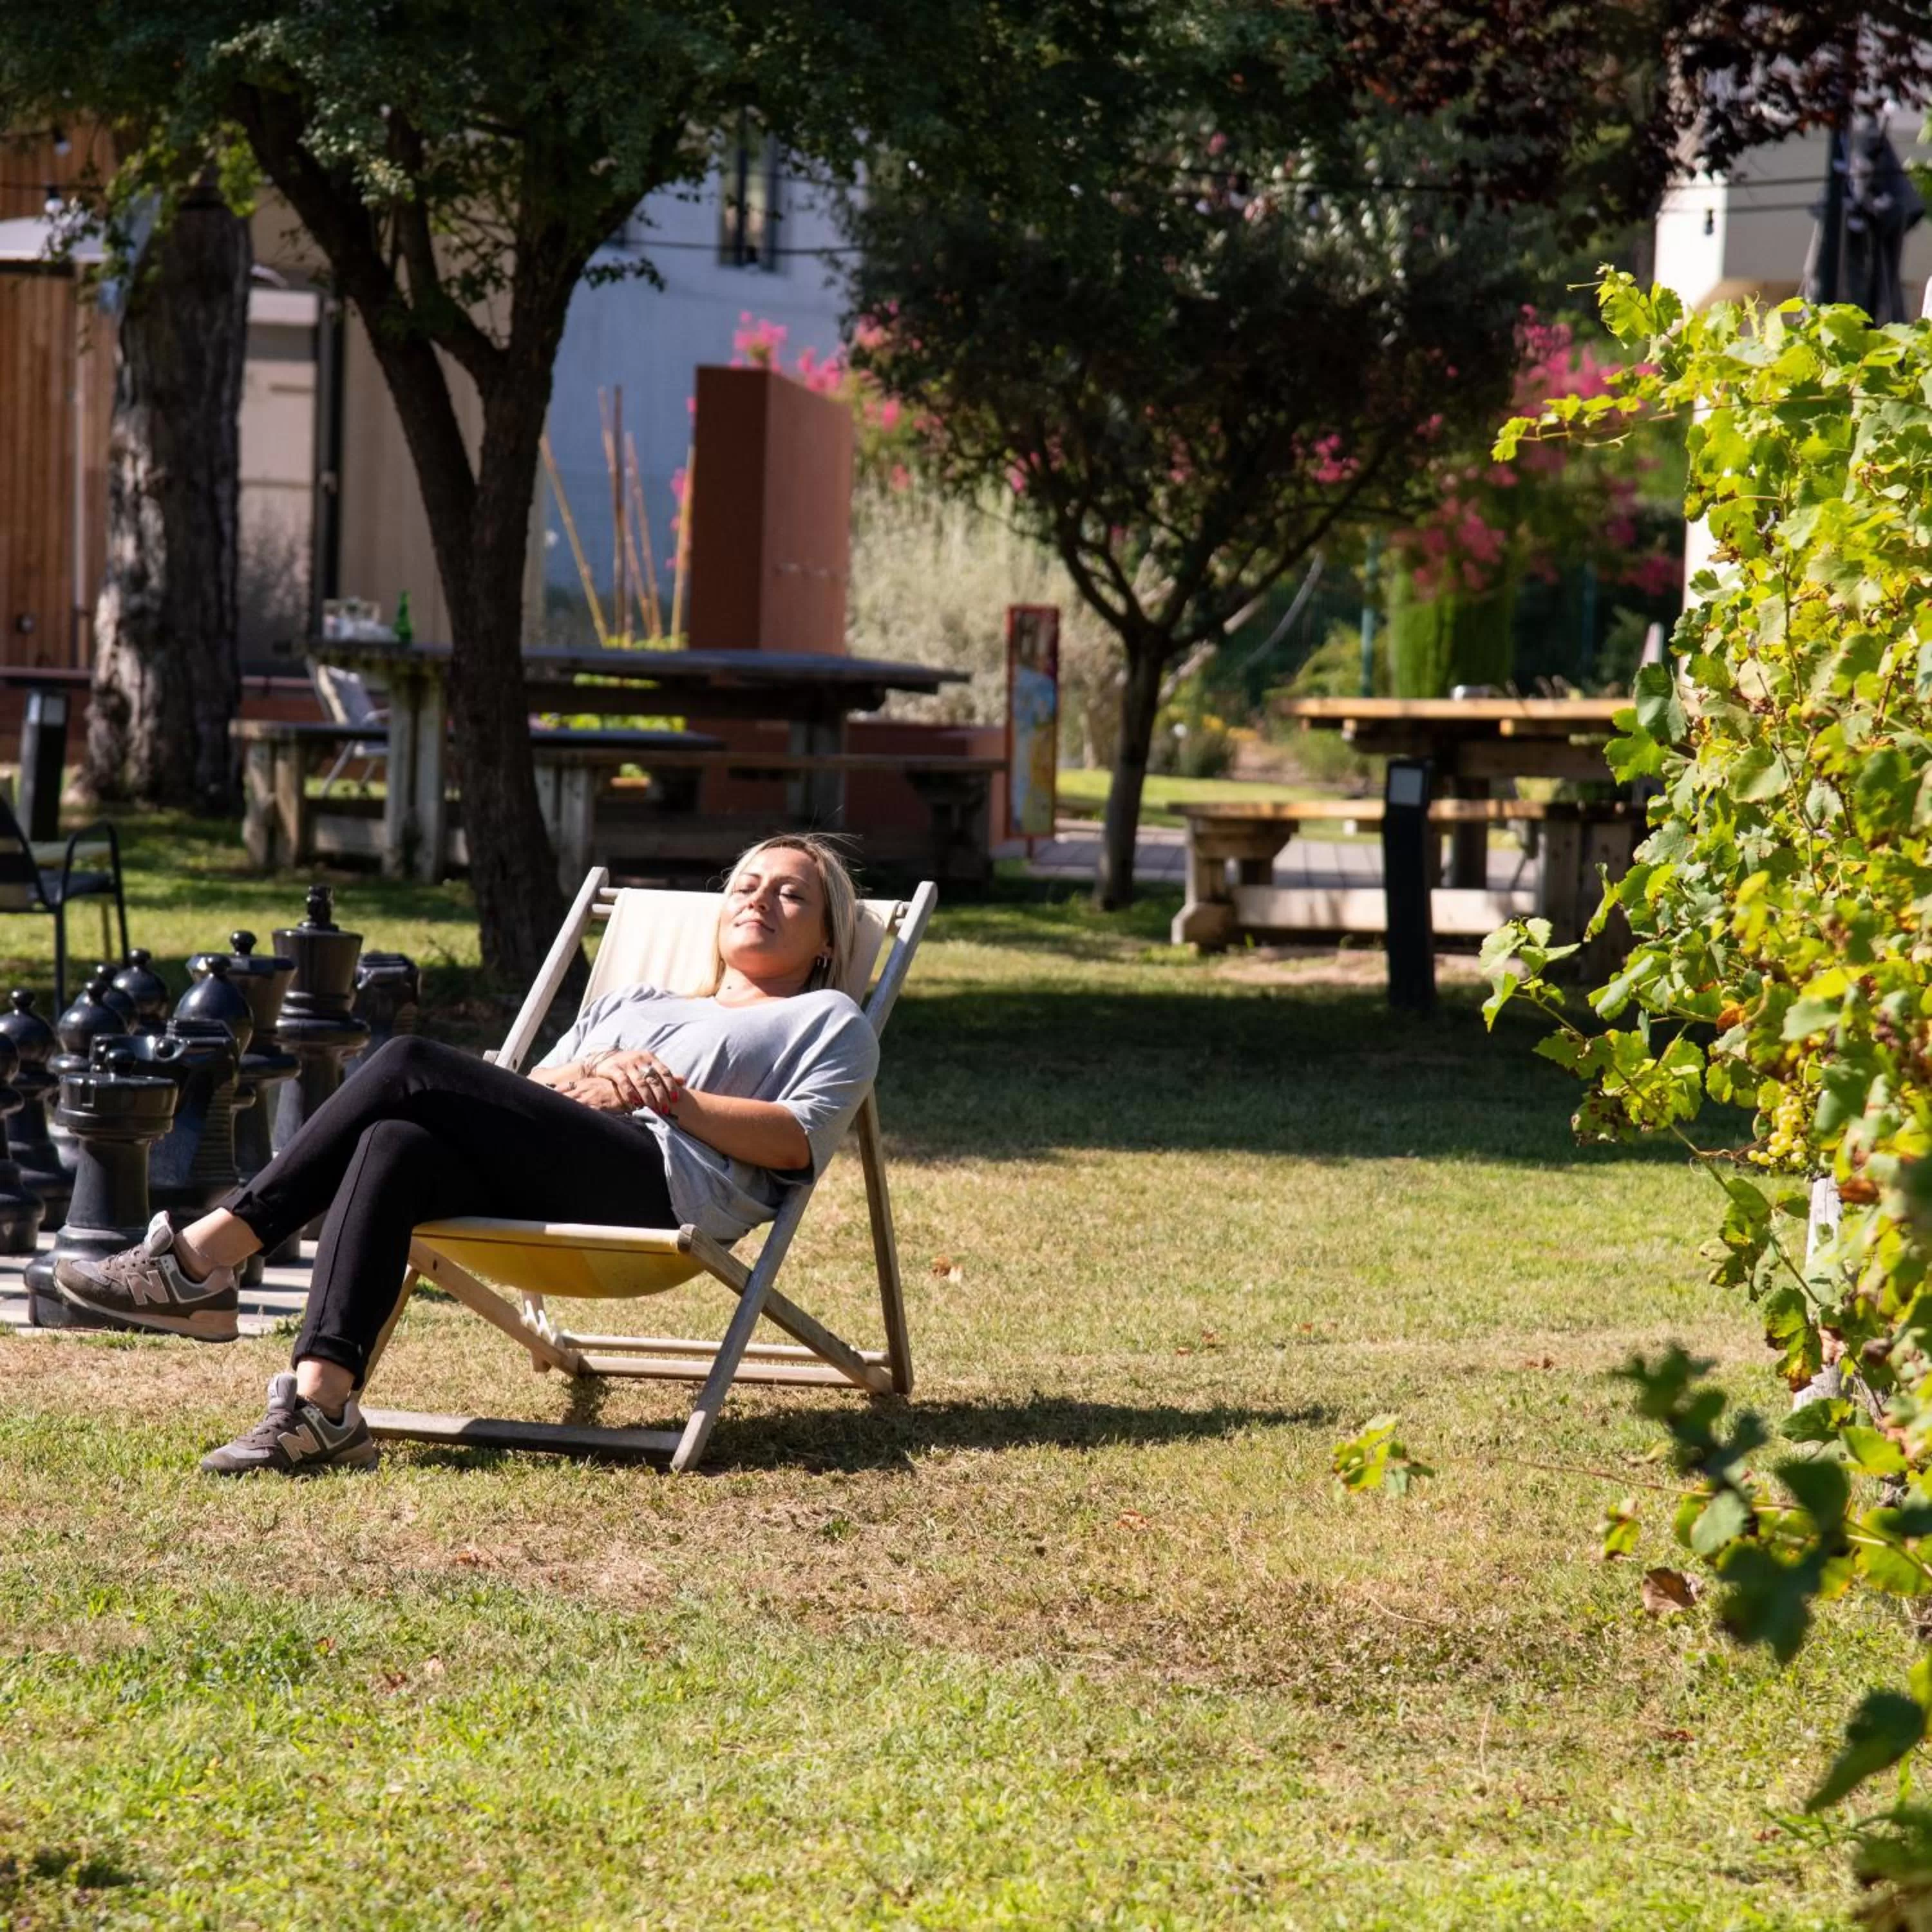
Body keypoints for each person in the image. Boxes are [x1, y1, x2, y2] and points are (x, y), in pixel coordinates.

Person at [52, 835, 880, 1477]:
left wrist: (664, 1096)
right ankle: (320, 1409)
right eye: (746, 885)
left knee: (408, 1062)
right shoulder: (641, 999)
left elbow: (799, 1142)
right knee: (393, 1142)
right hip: (570, 1157)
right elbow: (539, 1084)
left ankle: (202, 1260)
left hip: (663, 1185)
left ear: (823, 937)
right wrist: (596, 1069)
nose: (759, 899)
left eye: (789, 893)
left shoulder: (826, 1018)